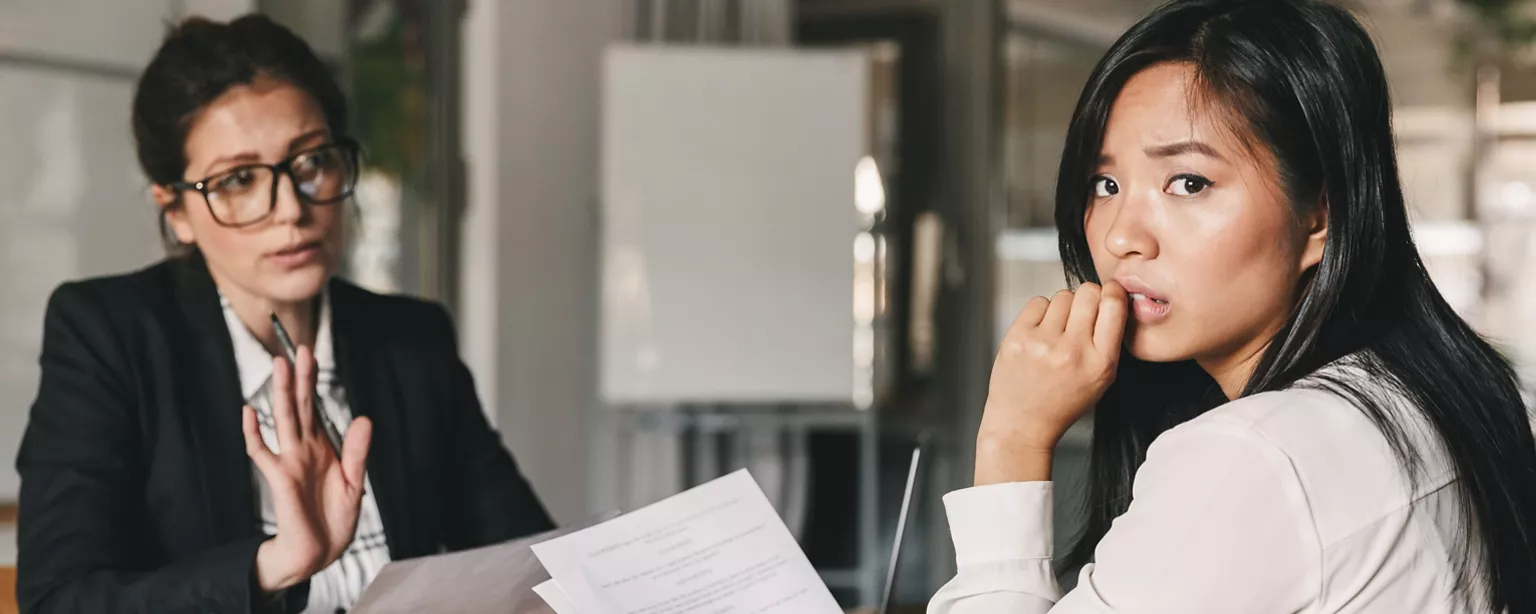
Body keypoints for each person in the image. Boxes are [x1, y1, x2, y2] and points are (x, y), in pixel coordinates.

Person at [929, 0, 1536, 612]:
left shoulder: (1256, 458)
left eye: (1188, 183)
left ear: (1320, 215)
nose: (1120, 238)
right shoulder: (1418, 398)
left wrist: (1014, 436)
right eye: (1105, 185)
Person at [14, 15, 554, 614]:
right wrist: (273, 565)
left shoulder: (411, 338)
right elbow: (59, 601)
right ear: (176, 213)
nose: (291, 210)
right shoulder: (108, 335)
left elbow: (527, 559)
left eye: (312, 162)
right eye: (240, 179)